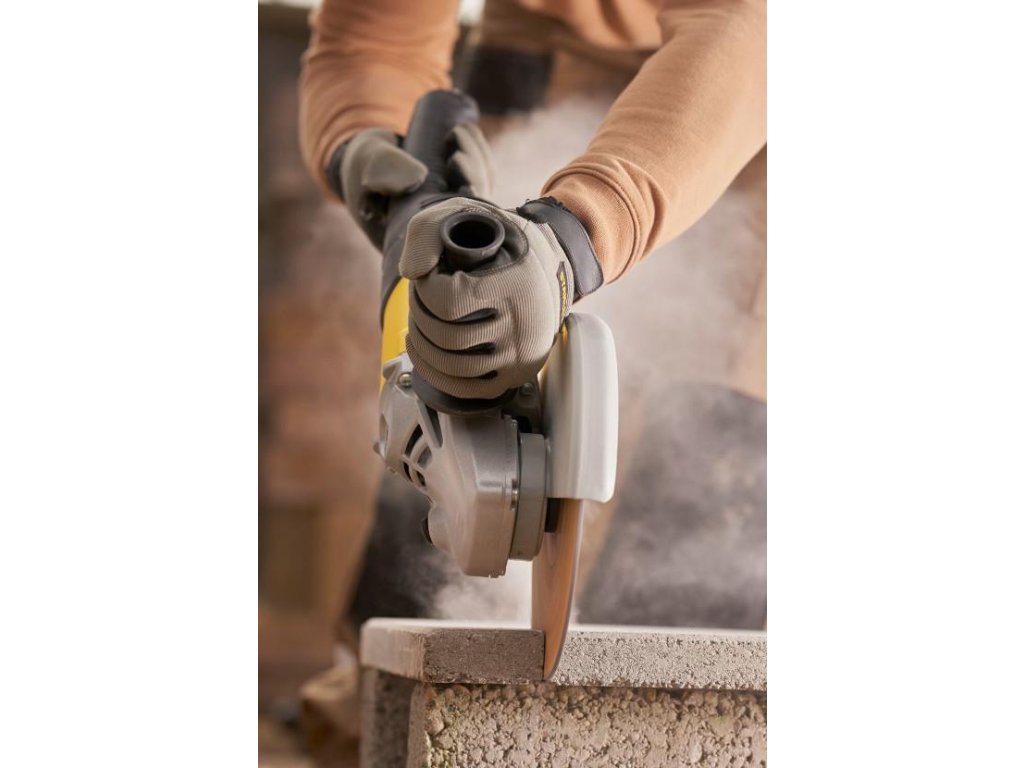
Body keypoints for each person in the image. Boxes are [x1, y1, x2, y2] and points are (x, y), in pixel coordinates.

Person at [299, 0, 766, 401]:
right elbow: (380, 39)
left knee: (716, 408)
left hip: (752, 49)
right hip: (552, 26)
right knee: (468, 314)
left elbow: (749, 27)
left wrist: (575, 236)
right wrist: (365, 133)